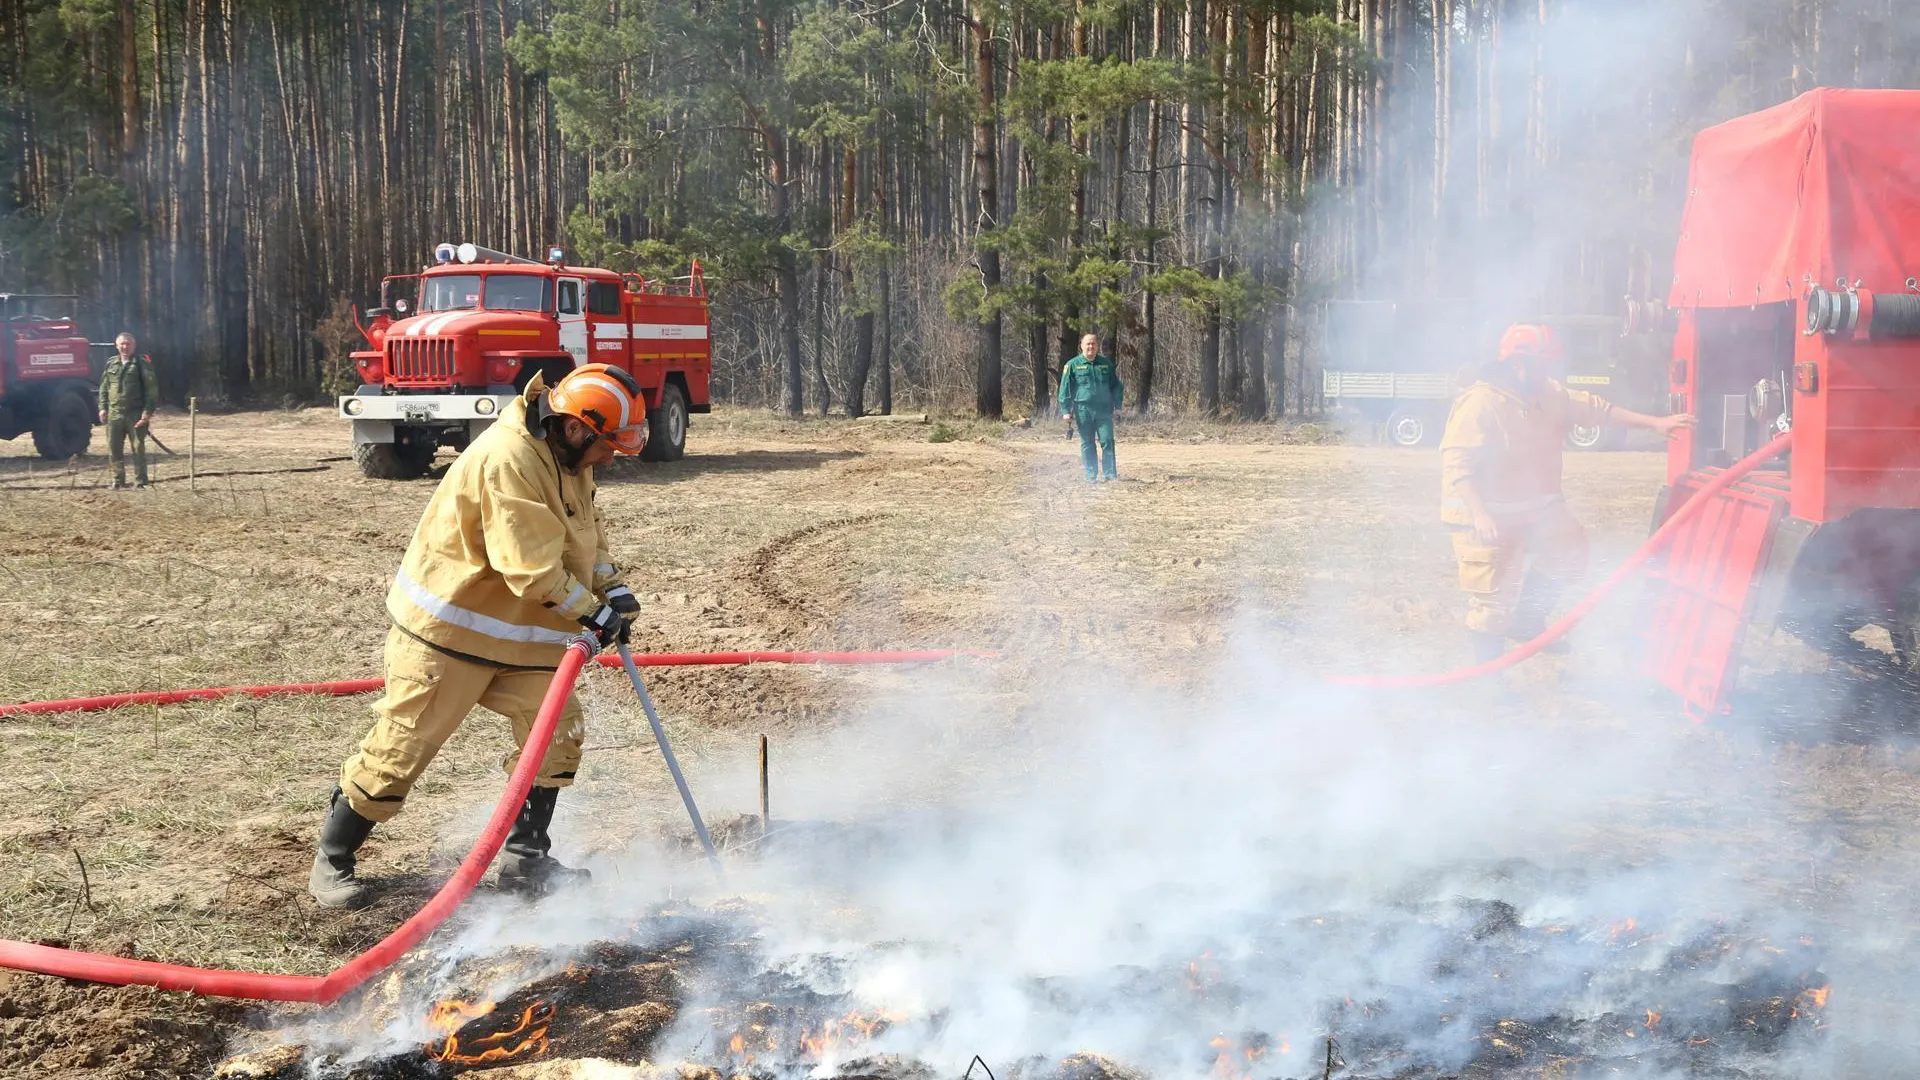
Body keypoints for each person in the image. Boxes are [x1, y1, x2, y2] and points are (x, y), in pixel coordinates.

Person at [309, 364, 650, 908]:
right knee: (403, 749)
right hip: (451, 633)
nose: (609, 458)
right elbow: (532, 571)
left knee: (557, 733)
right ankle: (333, 857)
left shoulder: (568, 457)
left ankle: (525, 863)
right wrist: (593, 614)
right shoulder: (508, 460)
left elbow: (583, 530)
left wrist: (612, 585)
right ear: (574, 428)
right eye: (606, 445)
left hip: (524, 635)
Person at [1439, 324, 1694, 663]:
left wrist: (1655, 424)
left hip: (1534, 506)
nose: (1553, 372)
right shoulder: (1480, 402)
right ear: (1521, 364)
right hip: (1485, 514)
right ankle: (1489, 682)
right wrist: (1480, 513)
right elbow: (1457, 465)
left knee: (1570, 553)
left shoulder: (1548, 393)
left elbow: (1597, 410)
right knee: (1491, 602)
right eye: (1547, 364)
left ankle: (1527, 620)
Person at [1057, 332, 1124, 482]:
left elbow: (1116, 386)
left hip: (1104, 410)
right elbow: (1065, 388)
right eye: (1087, 344)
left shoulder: (1105, 364)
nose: (1090, 346)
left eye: (1093, 344)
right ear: (1081, 345)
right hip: (1083, 410)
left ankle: (1110, 474)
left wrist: (1117, 406)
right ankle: (1090, 475)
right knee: (1087, 443)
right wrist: (1066, 411)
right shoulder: (1072, 365)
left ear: (1097, 346)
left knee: (1107, 440)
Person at [97, 332, 158, 489]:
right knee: (114, 448)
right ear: (116, 345)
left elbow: (151, 390)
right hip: (114, 413)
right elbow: (104, 387)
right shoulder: (111, 363)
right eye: (122, 344)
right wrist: (102, 408)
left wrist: (146, 415)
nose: (125, 347)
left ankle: (140, 481)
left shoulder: (141, 363)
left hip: (135, 414)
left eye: (128, 344)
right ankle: (117, 480)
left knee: (138, 448)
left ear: (134, 346)